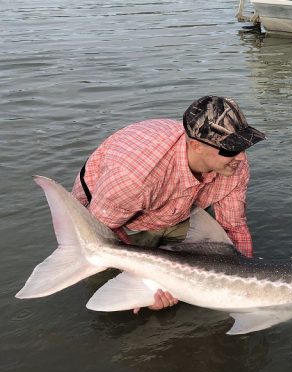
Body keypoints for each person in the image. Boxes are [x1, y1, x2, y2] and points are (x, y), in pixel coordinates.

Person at [72, 95, 266, 313]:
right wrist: (144, 286)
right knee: (101, 272)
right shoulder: (136, 178)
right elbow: (100, 237)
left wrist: (247, 282)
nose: (241, 157)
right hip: (115, 215)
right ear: (196, 146)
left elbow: (234, 226)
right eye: (230, 149)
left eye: (243, 146)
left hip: (177, 208)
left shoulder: (234, 166)